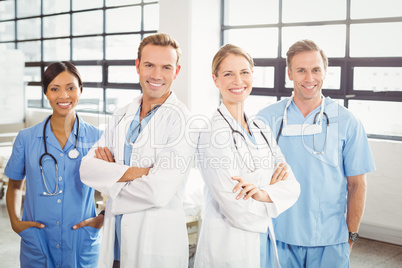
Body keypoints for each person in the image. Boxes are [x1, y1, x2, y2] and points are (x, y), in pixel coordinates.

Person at [79, 33, 197, 268]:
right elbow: (87, 168)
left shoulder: (183, 122)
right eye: (149, 65)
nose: (156, 75)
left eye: (166, 67)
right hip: (115, 245)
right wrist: (138, 172)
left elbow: (157, 192)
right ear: (137, 66)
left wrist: (111, 176)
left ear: (177, 71)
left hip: (155, 244)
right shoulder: (122, 113)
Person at [257, 39, 376, 267]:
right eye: (301, 70)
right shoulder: (266, 118)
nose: (309, 78)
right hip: (278, 236)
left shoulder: (347, 122)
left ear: (325, 72)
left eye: (315, 70)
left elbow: (357, 185)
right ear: (290, 73)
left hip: (329, 239)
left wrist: (351, 235)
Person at [194, 44, 300, 268]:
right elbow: (233, 205)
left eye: (244, 72)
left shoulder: (261, 128)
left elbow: (292, 184)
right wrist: (273, 199)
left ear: (253, 74)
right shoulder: (211, 133)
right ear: (216, 80)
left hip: (263, 241)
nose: (238, 81)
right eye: (228, 74)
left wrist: (262, 194)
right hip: (229, 243)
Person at [5, 61, 103, 267]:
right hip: (38, 241)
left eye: (70, 88)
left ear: (80, 90)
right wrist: (15, 222)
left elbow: (117, 187)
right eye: (55, 89)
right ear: (46, 93)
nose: (63, 96)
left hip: (80, 241)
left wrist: (101, 218)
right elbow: (14, 185)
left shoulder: (98, 138)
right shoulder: (26, 138)